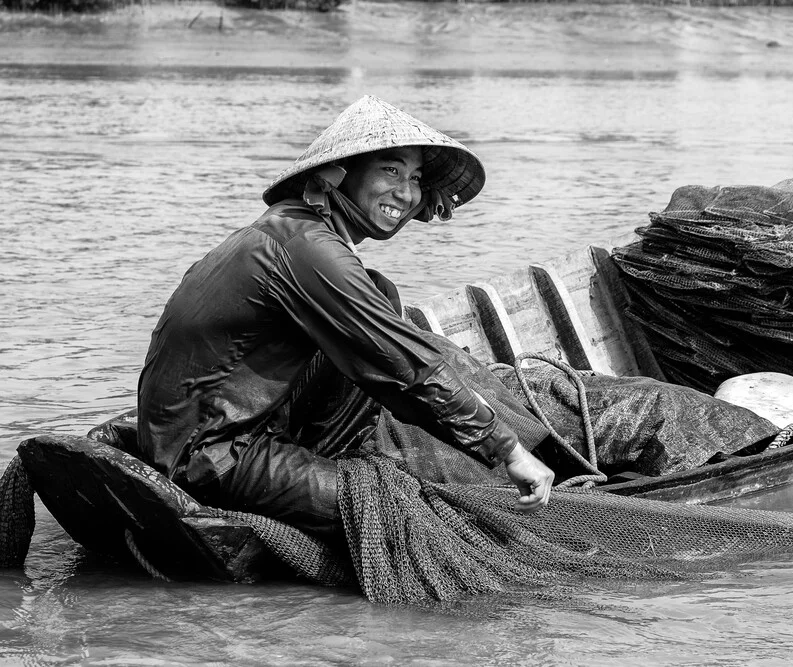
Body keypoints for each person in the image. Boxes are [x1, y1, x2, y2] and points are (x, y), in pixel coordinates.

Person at [136, 95, 555, 543]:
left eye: (414, 179)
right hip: (211, 455)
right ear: (338, 175)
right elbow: (404, 363)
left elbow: (387, 345)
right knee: (400, 516)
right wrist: (506, 449)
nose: (407, 191)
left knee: (381, 295)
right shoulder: (308, 248)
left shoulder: (290, 227)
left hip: (230, 425)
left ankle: (320, 459)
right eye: (390, 171)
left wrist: (406, 202)